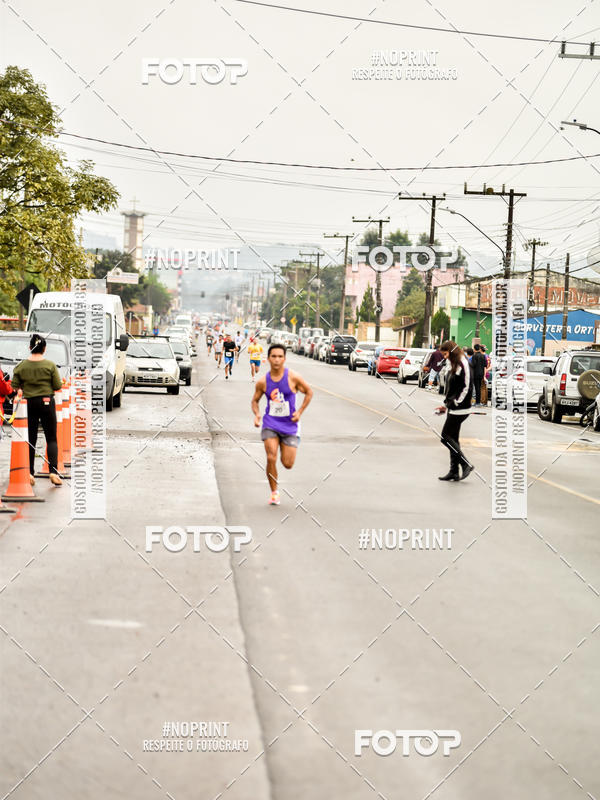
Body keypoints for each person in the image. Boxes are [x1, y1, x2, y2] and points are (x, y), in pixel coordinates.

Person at [251, 344, 313, 505]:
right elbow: (255, 401)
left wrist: (299, 412)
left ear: (284, 358)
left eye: (280, 356)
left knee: (287, 464)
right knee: (271, 457)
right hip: (270, 423)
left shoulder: (293, 377)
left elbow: (309, 392)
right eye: (274, 356)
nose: (277, 360)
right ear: (268, 358)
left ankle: (292, 443)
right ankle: (274, 492)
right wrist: (257, 415)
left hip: (290, 425)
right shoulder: (263, 381)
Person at [11, 334, 63, 486]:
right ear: (44, 349)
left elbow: (15, 385)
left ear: (29, 348)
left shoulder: (21, 366)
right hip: (47, 402)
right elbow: (58, 386)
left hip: (29, 404)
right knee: (51, 438)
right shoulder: (50, 365)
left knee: (30, 439)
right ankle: (53, 472)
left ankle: (29, 473)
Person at [435, 340, 474, 482]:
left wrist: (456, 402)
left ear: (451, 351)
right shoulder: (455, 363)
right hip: (454, 407)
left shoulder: (464, 363)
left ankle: (465, 464)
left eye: (445, 354)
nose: (444, 357)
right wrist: (446, 406)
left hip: (461, 408)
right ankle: (454, 471)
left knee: (445, 436)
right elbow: (453, 387)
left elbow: (466, 386)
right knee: (453, 439)